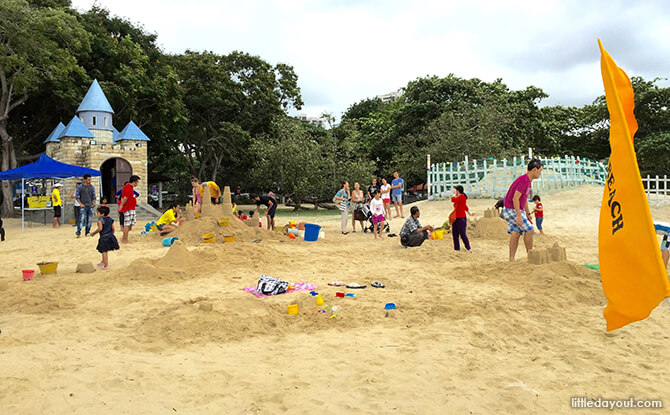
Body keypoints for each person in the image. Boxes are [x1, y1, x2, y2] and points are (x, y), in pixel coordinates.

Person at [501, 159, 544, 261]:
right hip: (511, 209)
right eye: (540, 171)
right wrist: (519, 216)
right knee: (529, 230)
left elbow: (523, 199)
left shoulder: (527, 181)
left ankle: (511, 259)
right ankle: (531, 257)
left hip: (513, 209)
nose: (540, 173)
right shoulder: (524, 181)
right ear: (534, 169)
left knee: (516, 232)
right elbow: (515, 198)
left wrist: (527, 213)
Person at [89, 205, 119, 271]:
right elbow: (113, 228)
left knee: (104, 251)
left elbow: (100, 228)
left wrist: (93, 233)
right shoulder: (110, 219)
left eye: (97, 213)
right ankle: (103, 262)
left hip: (104, 237)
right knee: (104, 250)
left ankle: (106, 265)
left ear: (102, 214)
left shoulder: (100, 220)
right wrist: (111, 235)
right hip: (110, 235)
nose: (97, 214)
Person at [118, 175, 140, 244]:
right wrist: (121, 205)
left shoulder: (130, 187)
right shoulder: (128, 187)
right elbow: (125, 198)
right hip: (128, 208)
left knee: (130, 223)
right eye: (137, 182)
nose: (138, 184)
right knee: (127, 224)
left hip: (131, 207)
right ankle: (125, 239)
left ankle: (125, 238)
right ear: (135, 181)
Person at [451, 185, 474, 251]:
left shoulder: (462, 197)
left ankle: (468, 248)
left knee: (462, 234)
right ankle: (456, 248)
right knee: (455, 234)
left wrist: (453, 195)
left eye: (455, 189)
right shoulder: (459, 197)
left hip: (461, 218)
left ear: (457, 191)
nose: (454, 190)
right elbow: (465, 206)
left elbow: (453, 200)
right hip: (456, 218)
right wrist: (469, 213)